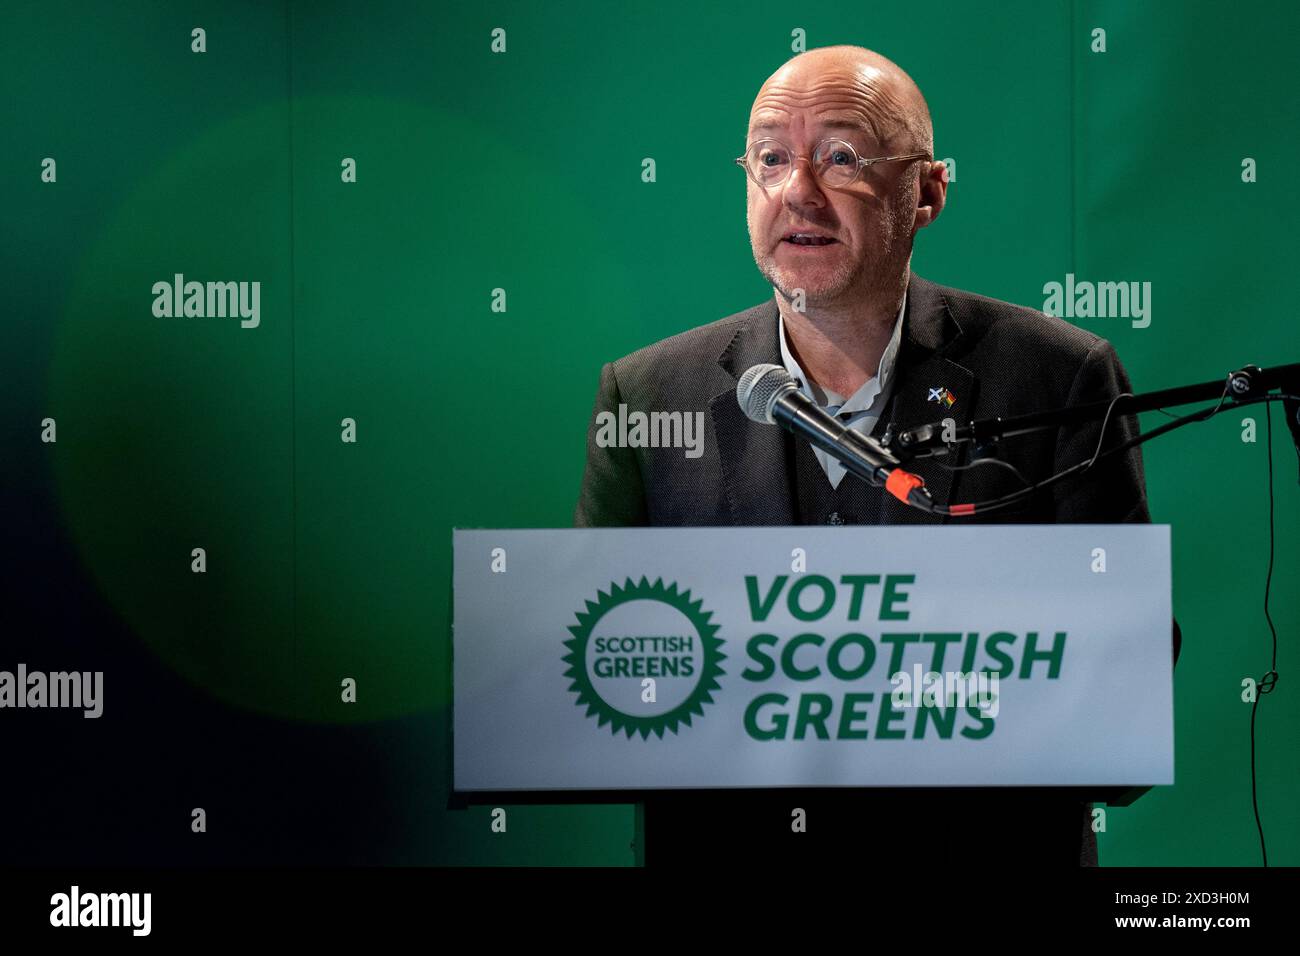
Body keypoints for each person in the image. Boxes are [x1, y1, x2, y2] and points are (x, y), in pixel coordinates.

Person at [573, 44, 1178, 867]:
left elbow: (1125, 678)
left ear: (926, 191)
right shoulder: (647, 393)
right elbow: (593, 672)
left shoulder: (1059, 377)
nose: (797, 191)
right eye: (771, 158)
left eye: (842, 158)